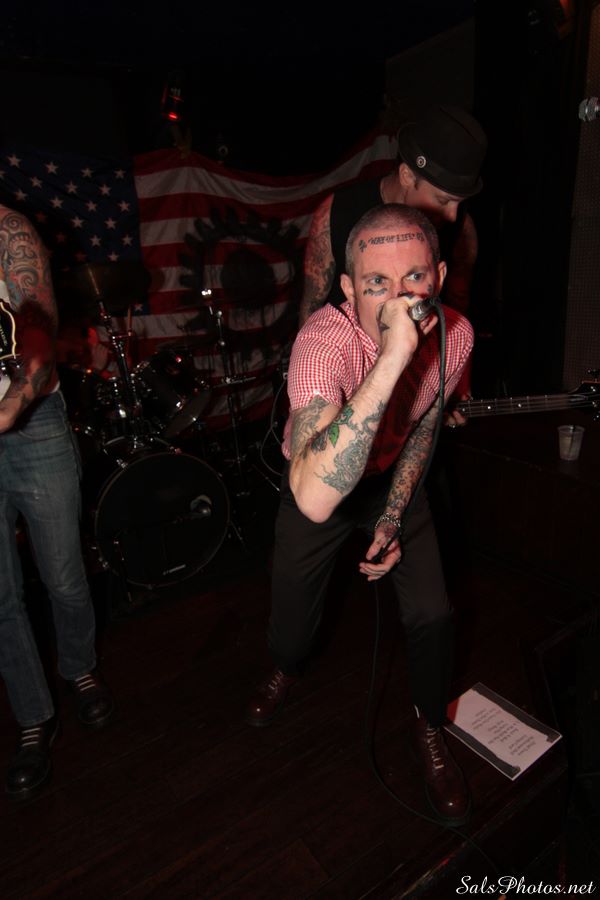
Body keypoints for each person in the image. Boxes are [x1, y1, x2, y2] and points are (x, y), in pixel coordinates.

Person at [245, 203, 474, 826]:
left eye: (414, 279)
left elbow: (424, 427)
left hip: (392, 481)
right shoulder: (322, 341)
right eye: (377, 284)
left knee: (433, 614)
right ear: (348, 288)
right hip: (316, 480)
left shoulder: (457, 335)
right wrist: (394, 355)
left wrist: (393, 513)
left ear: (439, 276)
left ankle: (430, 725)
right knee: (293, 621)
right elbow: (316, 495)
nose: (399, 300)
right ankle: (285, 665)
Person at [0, 205, 114, 800]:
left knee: (64, 578)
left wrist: (11, 405)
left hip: (34, 423)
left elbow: (38, 336)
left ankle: (79, 668)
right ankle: (33, 717)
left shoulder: (8, 231)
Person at [299, 105, 487, 326]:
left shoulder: (463, 229)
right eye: (443, 200)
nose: (453, 216)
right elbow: (311, 307)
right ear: (407, 176)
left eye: (460, 202)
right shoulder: (335, 212)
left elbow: (457, 308)